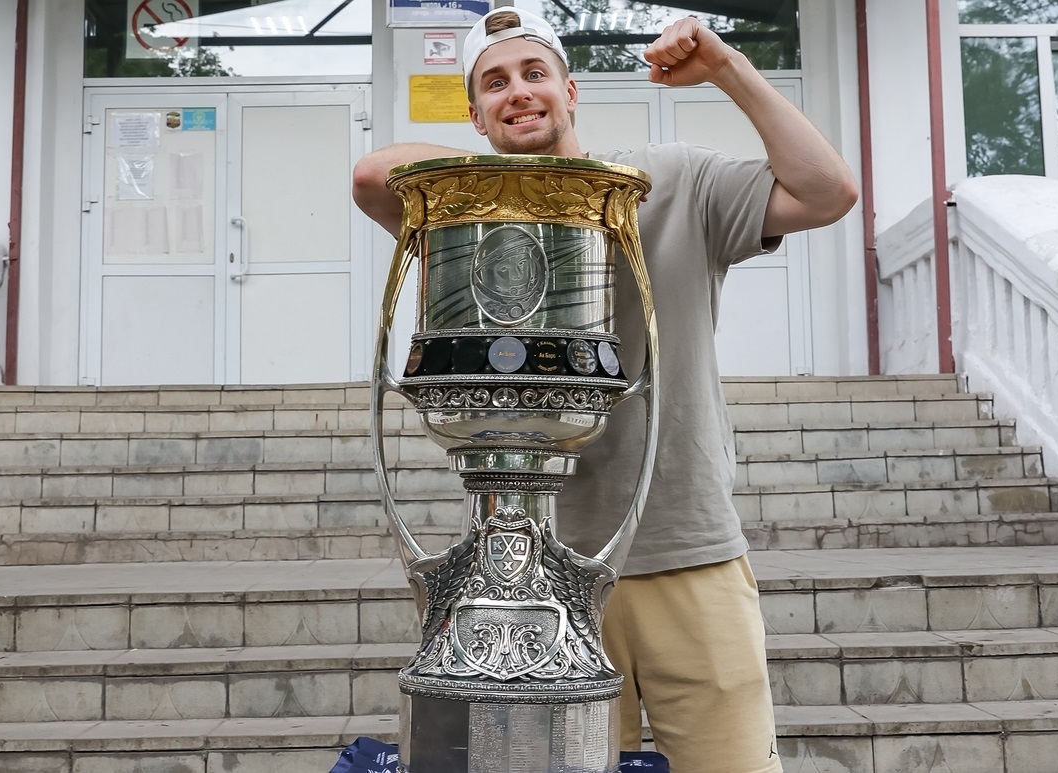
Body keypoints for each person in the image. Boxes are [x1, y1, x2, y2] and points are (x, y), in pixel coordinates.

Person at [352, 8, 858, 772]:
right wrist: (528, 187)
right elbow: (369, 176)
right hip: (540, 568)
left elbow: (827, 191)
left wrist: (727, 67)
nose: (519, 94)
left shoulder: (673, 183)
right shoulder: (475, 216)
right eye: (495, 84)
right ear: (474, 113)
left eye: (534, 75)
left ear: (572, 90)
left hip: (686, 548)